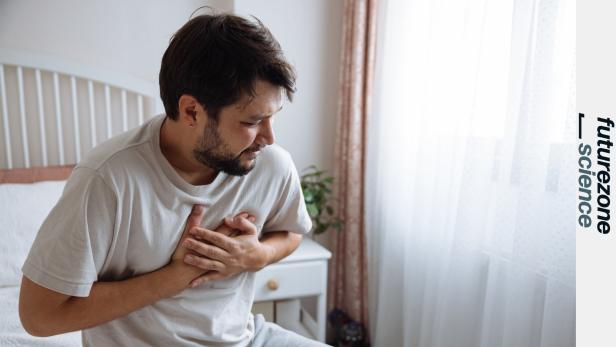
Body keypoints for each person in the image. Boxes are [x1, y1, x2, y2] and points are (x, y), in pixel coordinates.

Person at [18, 13, 327, 347]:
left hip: (245, 339)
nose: (268, 137)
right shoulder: (107, 180)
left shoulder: (270, 164)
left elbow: (291, 231)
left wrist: (254, 256)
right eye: (253, 121)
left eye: (272, 117)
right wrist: (179, 275)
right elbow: (39, 317)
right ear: (192, 111)